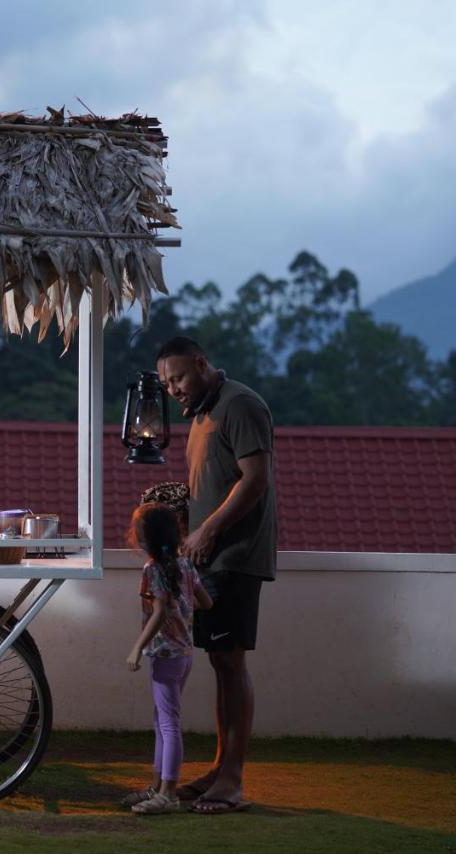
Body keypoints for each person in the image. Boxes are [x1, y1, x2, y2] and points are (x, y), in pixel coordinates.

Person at [156, 335, 276, 816]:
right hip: (208, 556)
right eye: (167, 383)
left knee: (230, 664)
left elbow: (255, 479)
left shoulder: (240, 404)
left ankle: (232, 780)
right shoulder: (203, 414)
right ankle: (219, 769)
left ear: (203, 364)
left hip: (235, 555)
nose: (174, 389)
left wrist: (207, 530)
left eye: (180, 377)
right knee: (219, 664)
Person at [122, 502, 212, 815]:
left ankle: (169, 793)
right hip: (184, 653)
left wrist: (137, 647)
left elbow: (158, 613)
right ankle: (159, 786)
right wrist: (183, 609)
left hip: (164, 655)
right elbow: (206, 602)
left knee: (168, 723)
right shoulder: (185, 565)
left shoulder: (153, 569)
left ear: (144, 538)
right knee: (162, 720)